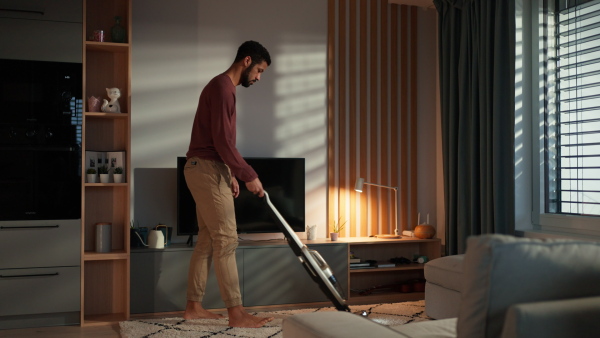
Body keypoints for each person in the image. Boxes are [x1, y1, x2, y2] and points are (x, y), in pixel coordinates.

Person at [182, 40, 273, 328]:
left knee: (208, 240)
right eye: (259, 70)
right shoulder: (223, 87)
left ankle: (194, 307)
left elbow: (218, 141)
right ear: (247, 61)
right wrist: (248, 175)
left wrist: (230, 174)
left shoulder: (222, 88)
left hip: (206, 167)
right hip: (206, 168)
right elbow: (221, 140)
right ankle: (237, 314)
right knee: (226, 240)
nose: (259, 77)